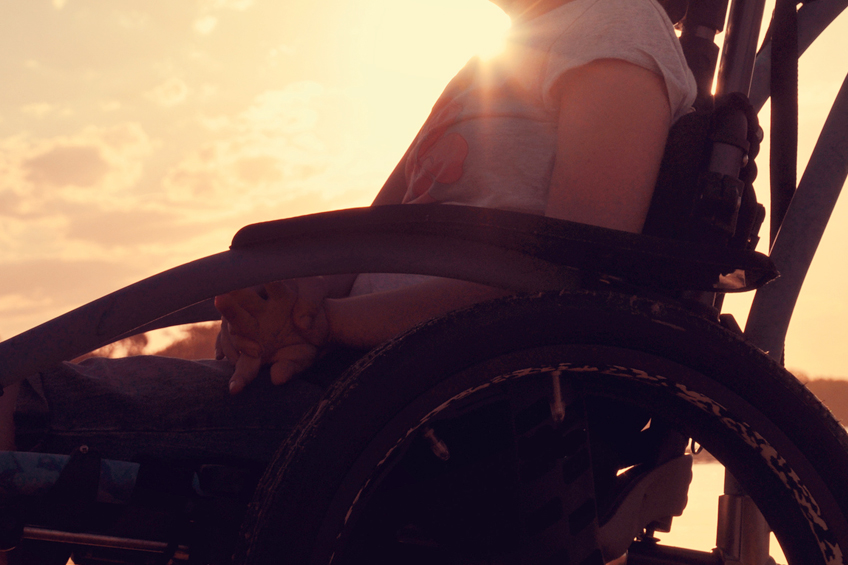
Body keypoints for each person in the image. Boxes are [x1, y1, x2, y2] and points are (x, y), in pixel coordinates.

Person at [7, 0, 695, 467]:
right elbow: (371, 235)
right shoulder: (496, 61)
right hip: (344, 380)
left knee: (23, 404)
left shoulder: (617, 30)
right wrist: (285, 308)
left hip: (417, 411)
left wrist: (330, 323)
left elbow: (565, 280)